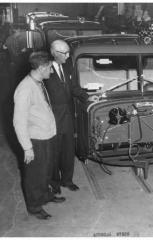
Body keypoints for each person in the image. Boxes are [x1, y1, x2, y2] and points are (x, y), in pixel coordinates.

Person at [13, 51, 66, 220]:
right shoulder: (25, 89)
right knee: (35, 174)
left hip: (47, 135)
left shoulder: (39, 82)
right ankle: (34, 206)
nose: (51, 71)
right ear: (42, 67)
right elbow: (18, 122)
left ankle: (45, 195)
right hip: (35, 140)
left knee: (46, 170)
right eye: (50, 68)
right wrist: (27, 148)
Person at [44, 40, 88, 194]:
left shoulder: (69, 65)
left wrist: (87, 97)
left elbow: (74, 87)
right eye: (65, 53)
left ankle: (67, 180)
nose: (68, 56)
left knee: (69, 150)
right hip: (53, 119)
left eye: (69, 52)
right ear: (54, 53)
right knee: (54, 152)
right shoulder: (44, 69)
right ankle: (54, 184)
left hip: (68, 116)